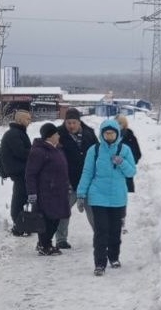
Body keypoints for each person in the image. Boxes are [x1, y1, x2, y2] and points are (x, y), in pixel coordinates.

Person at [77, 119, 137, 277]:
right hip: (98, 196)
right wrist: (81, 194)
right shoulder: (94, 150)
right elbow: (87, 172)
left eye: (112, 133)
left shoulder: (125, 150)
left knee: (115, 231)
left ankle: (114, 257)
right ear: (102, 134)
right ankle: (99, 263)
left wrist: (122, 162)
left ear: (117, 134)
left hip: (118, 197)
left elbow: (131, 172)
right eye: (106, 133)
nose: (109, 136)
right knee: (101, 230)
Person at [54, 107, 98, 250]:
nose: (71, 125)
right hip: (68, 182)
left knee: (93, 211)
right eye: (68, 123)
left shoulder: (89, 133)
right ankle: (61, 239)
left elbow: (98, 153)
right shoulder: (58, 135)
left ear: (79, 122)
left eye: (74, 122)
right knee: (64, 211)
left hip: (88, 182)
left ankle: (100, 236)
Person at [25, 123, 72, 256]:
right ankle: (44, 245)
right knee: (48, 219)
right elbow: (31, 174)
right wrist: (32, 193)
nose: (58, 135)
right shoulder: (39, 151)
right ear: (50, 136)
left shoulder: (56, 149)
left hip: (58, 191)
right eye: (56, 134)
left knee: (56, 218)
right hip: (46, 191)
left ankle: (45, 243)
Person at [0, 109, 33, 236]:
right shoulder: (14, 134)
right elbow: (20, 152)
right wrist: (35, 152)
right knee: (19, 198)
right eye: (27, 119)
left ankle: (22, 224)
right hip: (18, 171)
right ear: (20, 120)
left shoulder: (18, 132)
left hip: (20, 170)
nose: (30, 121)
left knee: (22, 196)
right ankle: (19, 226)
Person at [114, 114, 142, 193]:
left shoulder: (130, 138)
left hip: (126, 175)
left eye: (120, 123)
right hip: (113, 176)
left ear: (124, 124)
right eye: (115, 123)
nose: (117, 126)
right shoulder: (109, 137)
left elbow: (138, 154)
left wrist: (126, 162)